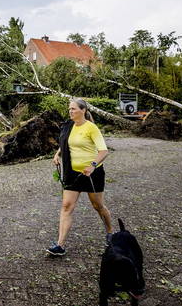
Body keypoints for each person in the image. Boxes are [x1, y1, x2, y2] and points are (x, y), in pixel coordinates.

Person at [46, 98, 113, 256]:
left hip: (92, 174)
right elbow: (64, 144)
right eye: (69, 109)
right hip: (73, 174)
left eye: (74, 109)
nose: (70, 111)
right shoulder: (69, 126)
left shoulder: (91, 128)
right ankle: (60, 245)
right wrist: (57, 155)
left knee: (98, 206)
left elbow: (103, 151)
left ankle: (110, 232)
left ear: (83, 110)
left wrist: (92, 166)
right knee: (66, 206)